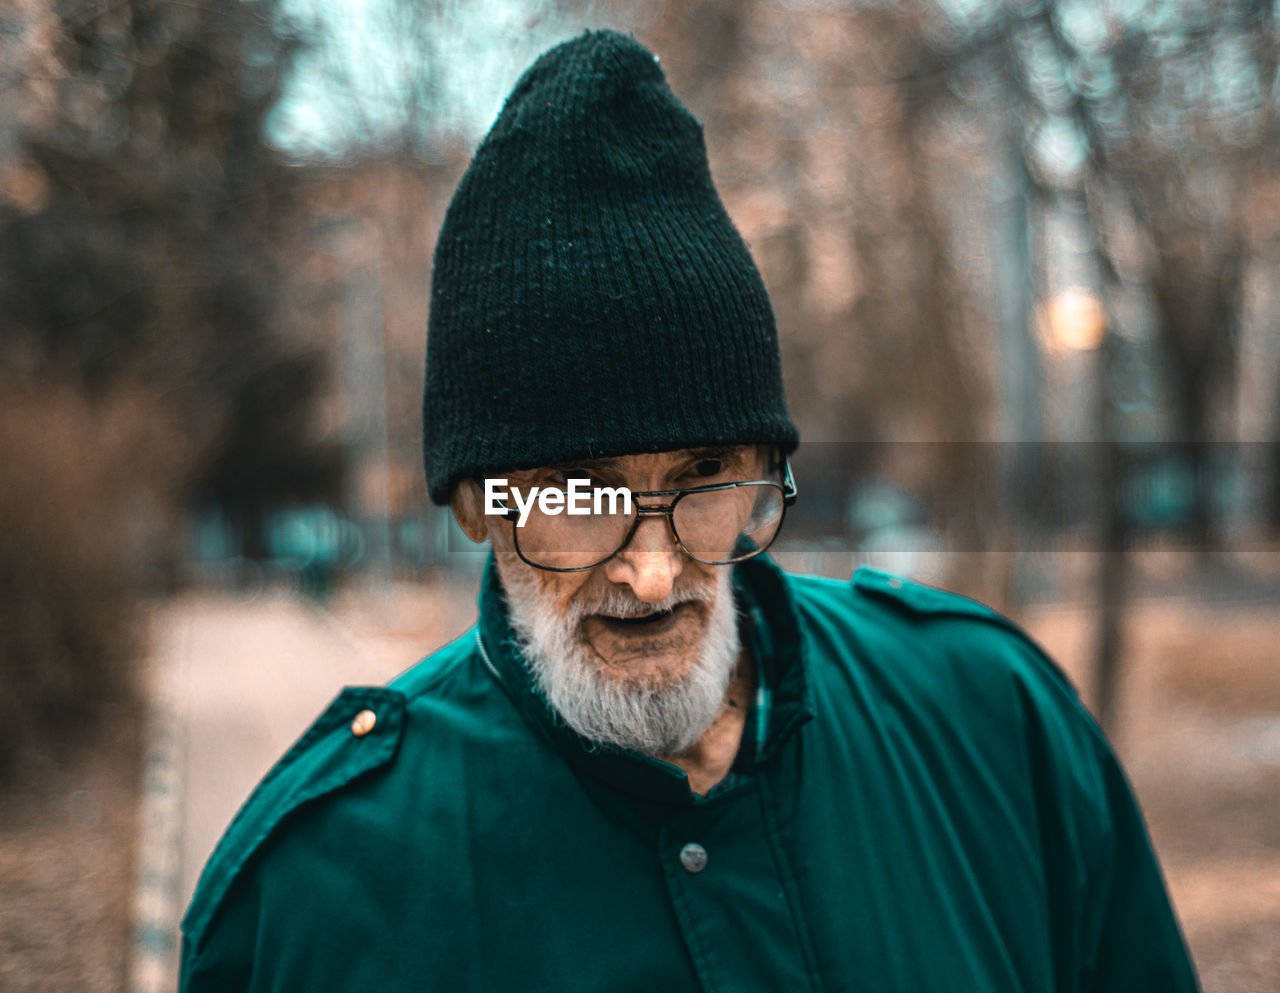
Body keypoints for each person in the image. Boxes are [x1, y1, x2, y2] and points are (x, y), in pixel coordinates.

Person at [178, 29, 1199, 992]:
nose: (653, 571)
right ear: (471, 507)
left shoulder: (991, 722)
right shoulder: (315, 893)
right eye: (582, 492)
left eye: (706, 474)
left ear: (765, 465)